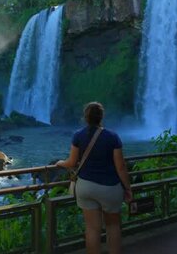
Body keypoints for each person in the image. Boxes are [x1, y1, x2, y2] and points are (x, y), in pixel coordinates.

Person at [56, 102, 132, 254]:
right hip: (110, 188)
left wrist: (60, 163)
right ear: (101, 117)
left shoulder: (78, 135)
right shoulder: (112, 137)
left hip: (86, 187)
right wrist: (128, 189)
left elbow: (71, 162)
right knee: (113, 227)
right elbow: (121, 167)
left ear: (86, 117)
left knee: (92, 229)